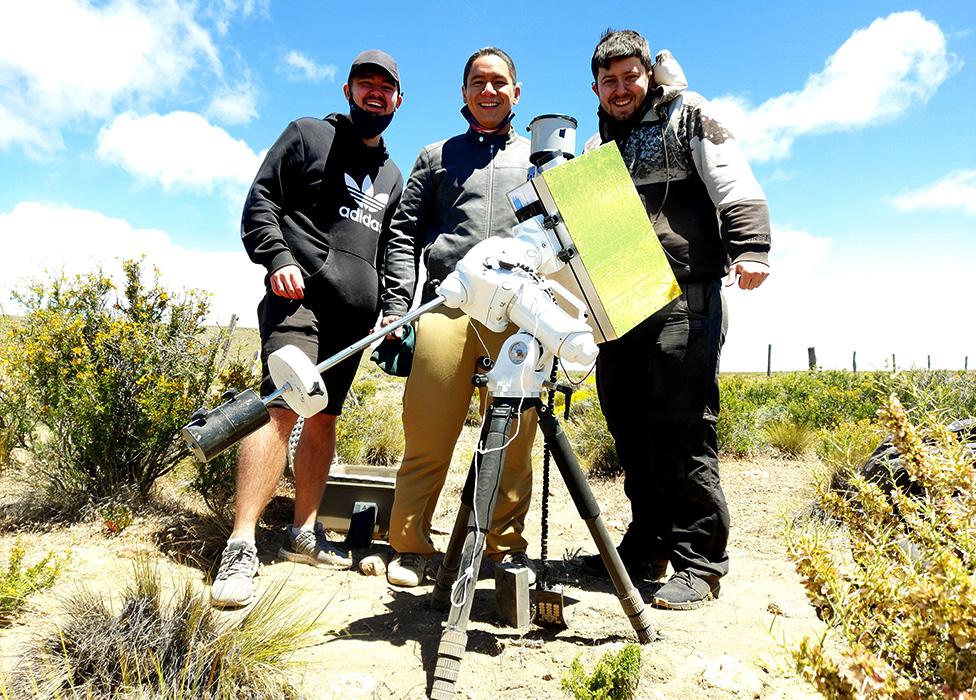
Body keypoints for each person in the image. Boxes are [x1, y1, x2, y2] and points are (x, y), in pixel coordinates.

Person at [579, 29, 771, 610]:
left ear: (647, 75)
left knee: (681, 426)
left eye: (629, 77)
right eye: (608, 81)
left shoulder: (688, 114)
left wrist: (751, 247)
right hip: (621, 298)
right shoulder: (595, 148)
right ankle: (647, 545)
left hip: (686, 292)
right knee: (628, 422)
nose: (620, 89)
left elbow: (732, 177)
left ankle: (700, 561)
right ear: (596, 86)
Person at [210, 50, 404, 608]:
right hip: (298, 301)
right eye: (365, 84)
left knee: (323, 418)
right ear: (347, 90)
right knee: (281, 406)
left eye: (384, 88)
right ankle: (241, 544)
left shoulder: (391, 175)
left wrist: (391, 308)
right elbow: (261, 202)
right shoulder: (308, 134)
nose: (374, 94)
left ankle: (304, 532)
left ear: (398, 100)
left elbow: (393, 249)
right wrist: (276, 259)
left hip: (354, 321)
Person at [360, 47, 536, 588]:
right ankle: (409, 546)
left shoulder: (543, 159)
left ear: (517, 91)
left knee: (515, 439)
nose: (489, 91)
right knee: (429, 433)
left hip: (521, 312)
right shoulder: (435, 157)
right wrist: (397, 310)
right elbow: (402, 235)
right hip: (447, 306)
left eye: (499, 82)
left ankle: (500, 552)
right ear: (463, 92)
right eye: (478, 83)